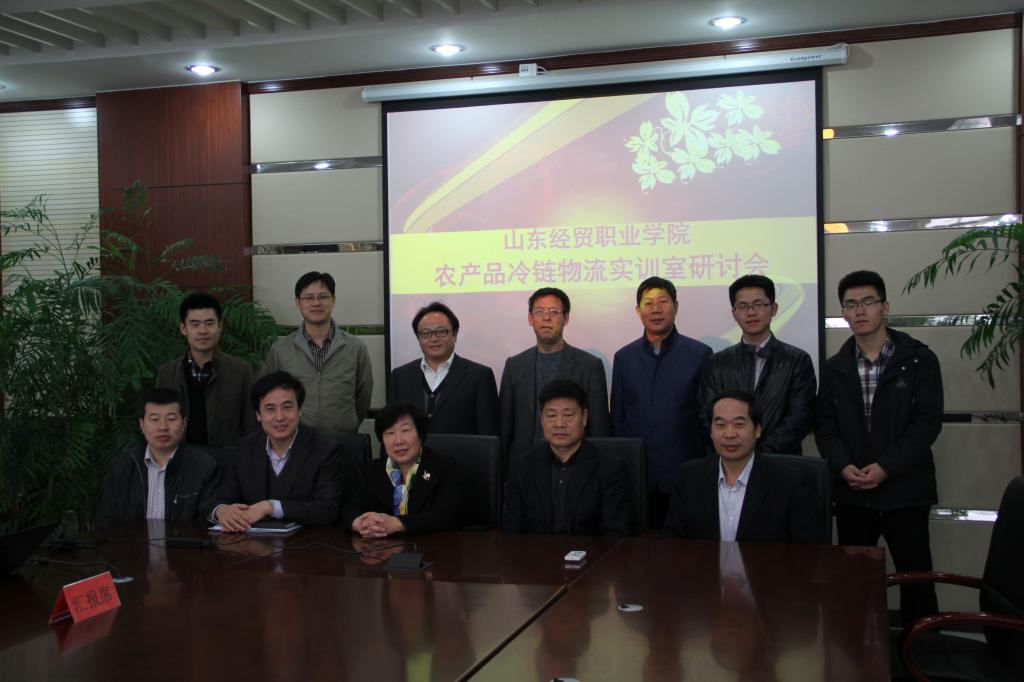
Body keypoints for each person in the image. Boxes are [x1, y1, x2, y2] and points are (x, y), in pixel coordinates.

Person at [815, 270, 942, 625]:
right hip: (853, 492)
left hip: (906, 491)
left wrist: (886, 467)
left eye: (868, 302)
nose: (860, 311)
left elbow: (927, 423)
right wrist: (842, 466)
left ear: (885, 307)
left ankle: (921, 649)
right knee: (854, 584)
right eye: (851, 304)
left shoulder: (919, 360)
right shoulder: (835, 368)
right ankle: (859, 653)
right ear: (843, 313)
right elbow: (825, 427)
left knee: (916, 580)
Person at [611, 276, 713, 527]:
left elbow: (707, 418)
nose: (655, 309)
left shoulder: (700, 354)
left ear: (675, 307)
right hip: (638, 473)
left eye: (663, 302)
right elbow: (618, 418)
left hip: (685, 471)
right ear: (638, 311)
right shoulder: (624, 358)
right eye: (648, 303)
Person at [660, 390, 819, 543]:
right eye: (720, 425)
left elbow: (808, 550)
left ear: (757, 430)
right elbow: (672, 540)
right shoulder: (689, 476)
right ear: (711, 431)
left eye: (739, 424)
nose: (729, 434)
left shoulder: (790, 482)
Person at [211, 371, 346, 530]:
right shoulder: (245, 449)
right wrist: (222, 510)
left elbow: (327, 510)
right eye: (270, 409)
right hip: (251, 543)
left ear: (299, 410)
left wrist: (271, 507)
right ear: (258, 415)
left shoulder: (325, 449)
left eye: (287, 407)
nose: (280, 417)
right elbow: (221, 498)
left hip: (307, 542)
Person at [699, 275, 816, 454]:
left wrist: (758, 456)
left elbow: (800, 418)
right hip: (730, 460)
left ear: (774, 308)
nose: (751, 312)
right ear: (734, 313)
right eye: (743, 306)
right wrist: (737, 452)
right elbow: (708, 415)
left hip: (781, 462)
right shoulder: (717, 363)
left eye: (759, 304)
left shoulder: (797, 360)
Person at [499, 287, 610, 467]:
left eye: (554, 311)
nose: (546, 318)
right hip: (524, 466)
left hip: (577, 466)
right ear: (530, 318)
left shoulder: (590, 366)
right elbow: (505, 429)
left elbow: (599, 429)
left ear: (566, 318)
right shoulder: (514, 366)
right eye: (539, 311)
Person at [502, 378, 628, 536]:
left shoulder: (610, 469)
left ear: (584, 417)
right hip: (534, 551)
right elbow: (512, 531)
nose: (559, 424)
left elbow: (615, 534)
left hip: (590, 552)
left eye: (568, 415)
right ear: (541, 420)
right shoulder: (522, 468)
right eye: (551, 415)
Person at [261, 271, 372, 433]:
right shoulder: (280, 350)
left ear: (333, 300)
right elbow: (269, 395)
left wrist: (348, 423)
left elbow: (363, 396)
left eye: (323, 296)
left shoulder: (355, 348)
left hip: (342, 438)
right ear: (298, 302)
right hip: (296, 439)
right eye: (308, 298)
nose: (316, 303)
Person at [96, 388, 218, 529]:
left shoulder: (204, 466)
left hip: (183, 543)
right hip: (132, 543)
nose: (163, 427)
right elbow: (106, 521)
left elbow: (208, 522)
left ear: (184, 424)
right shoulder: (122, 465)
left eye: (171, 419)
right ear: (142, 424)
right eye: (154, 419)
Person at [341, 402, 461, 537]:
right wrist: (359, 523)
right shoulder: (373, 469)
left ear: (420, 434)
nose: (398, 441)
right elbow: (351, 508)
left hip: (432, 546)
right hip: (380, 547)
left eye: (405, 431)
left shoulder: (444, 467)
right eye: (390, 433)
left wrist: (397, 523)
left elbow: (446, 515)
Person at [156, 292, 256, 446]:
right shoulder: (166, 373)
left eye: (209, 323)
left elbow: (251, 423)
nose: (202, 331)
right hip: (181, 456)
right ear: (183, 328)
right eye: (195, 324)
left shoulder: (241, 370)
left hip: (227, 457)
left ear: (220, 325)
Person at [388, 301, 498, 435]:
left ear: (455, 334)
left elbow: (488, 434)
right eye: (426, 333)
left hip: (460, 449)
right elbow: (390, 428)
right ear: (418, 338)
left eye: (441, 332)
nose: (434, 339)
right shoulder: (400, 376)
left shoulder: (479, 376)